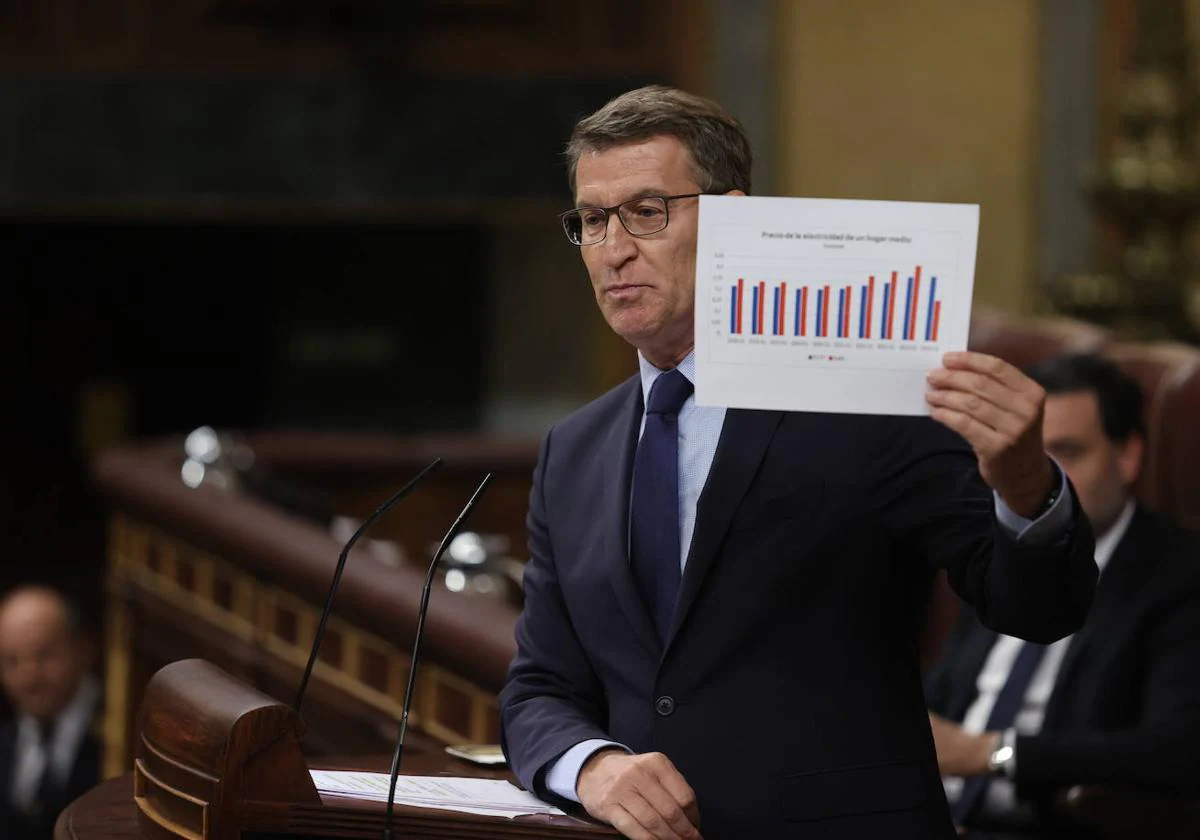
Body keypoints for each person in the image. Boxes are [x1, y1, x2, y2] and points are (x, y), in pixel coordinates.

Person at [499, 85, 1097, 840]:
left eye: (648, 212)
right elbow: (539, 688)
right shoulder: (573, 449)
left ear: (735, 221)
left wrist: (1023, 484)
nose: (614, 249)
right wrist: (594, 766)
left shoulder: (866, 393)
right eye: (591, 220)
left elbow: (1038, 609)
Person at [925, 353, 1200, 838]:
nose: (1043, 474)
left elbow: (1176, 749)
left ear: (1128, 456)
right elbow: (944, 698)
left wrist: (992, 753)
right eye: (1031, 452)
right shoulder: (1003, 540)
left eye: (1067, 452)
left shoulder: (1179, 574)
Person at [0, 585, 102, 840]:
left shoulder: (117, 733)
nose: (28, 677)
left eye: (44, 656)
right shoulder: (6, 737)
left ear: (84, 650)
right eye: (11, 661)